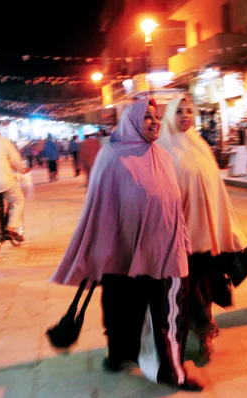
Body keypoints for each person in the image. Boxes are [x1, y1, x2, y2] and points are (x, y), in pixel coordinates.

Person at [50, 100, 203, 391]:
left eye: (156, 117)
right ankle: (120, 355)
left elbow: (173, 205)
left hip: (164, 249)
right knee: (120, 306)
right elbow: (100, 207)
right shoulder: (111, 156)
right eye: (147, 117)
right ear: (132, 121)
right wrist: (102, 249)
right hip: (124, 252)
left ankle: (172, 370)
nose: (154, 122)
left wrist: (182, 239)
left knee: (170, 311)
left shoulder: (163, 157)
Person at [157, 95, 247, 359]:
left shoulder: (199, 145)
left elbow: (217, 192)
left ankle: (204, 335)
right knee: (186, 291)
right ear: (169, 117)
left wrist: (226, 229)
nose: (185, 116)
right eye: (179, 112)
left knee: (203, 288)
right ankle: (197, 332)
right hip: (178, 237)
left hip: (205, 239)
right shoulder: (162, 149)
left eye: (189, 111)